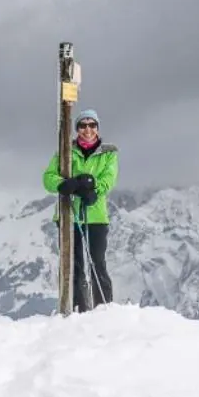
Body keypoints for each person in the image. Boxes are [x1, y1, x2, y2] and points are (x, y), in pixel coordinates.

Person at [43, 107, 117, 311]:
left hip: (96, 216)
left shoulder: (108, 153)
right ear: (77, 129)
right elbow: (48, 178)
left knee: (97, 263)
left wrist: (94, 189)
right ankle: (78, 308)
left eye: (92, 125)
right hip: (69, 215)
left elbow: (109, 178)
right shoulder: (65, 152)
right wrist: (63, 184)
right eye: (83, 125)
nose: (88, 129)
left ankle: (104, 308)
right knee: (73, 264)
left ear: (98, 128)